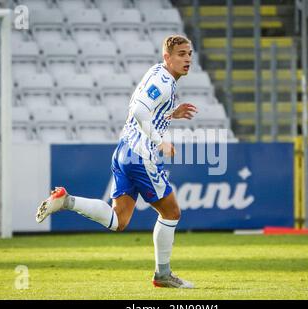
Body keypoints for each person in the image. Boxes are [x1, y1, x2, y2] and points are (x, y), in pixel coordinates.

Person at [36, 35, 198, 289]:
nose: (187, 58)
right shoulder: (164, 82)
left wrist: (170, 114)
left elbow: (143, 108)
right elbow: (139, 111)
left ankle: (66, 201)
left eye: (189, 53)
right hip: (141, 156)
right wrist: (159, 142)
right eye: (181, 54)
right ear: (167, 57)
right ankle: (163, 275)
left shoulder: (158, 74)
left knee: (118, 220)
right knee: (171, 212)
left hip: (124, 151)